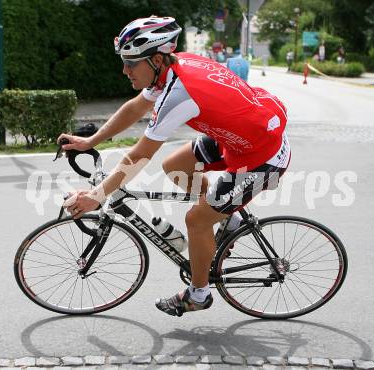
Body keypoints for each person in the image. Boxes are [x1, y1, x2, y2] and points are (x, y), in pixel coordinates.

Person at [58, 16, 290, 317]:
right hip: (239, 138)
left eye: (131, 63)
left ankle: (199, 294)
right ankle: (226, 217)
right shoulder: (170, 69)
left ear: (155, 59)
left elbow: (139, 155)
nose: (124, 70)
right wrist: (92, 140)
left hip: (264, 155)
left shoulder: (180, 93)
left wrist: (97, 195)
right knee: (175, 164)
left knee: (196, 220)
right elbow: (136, 107)